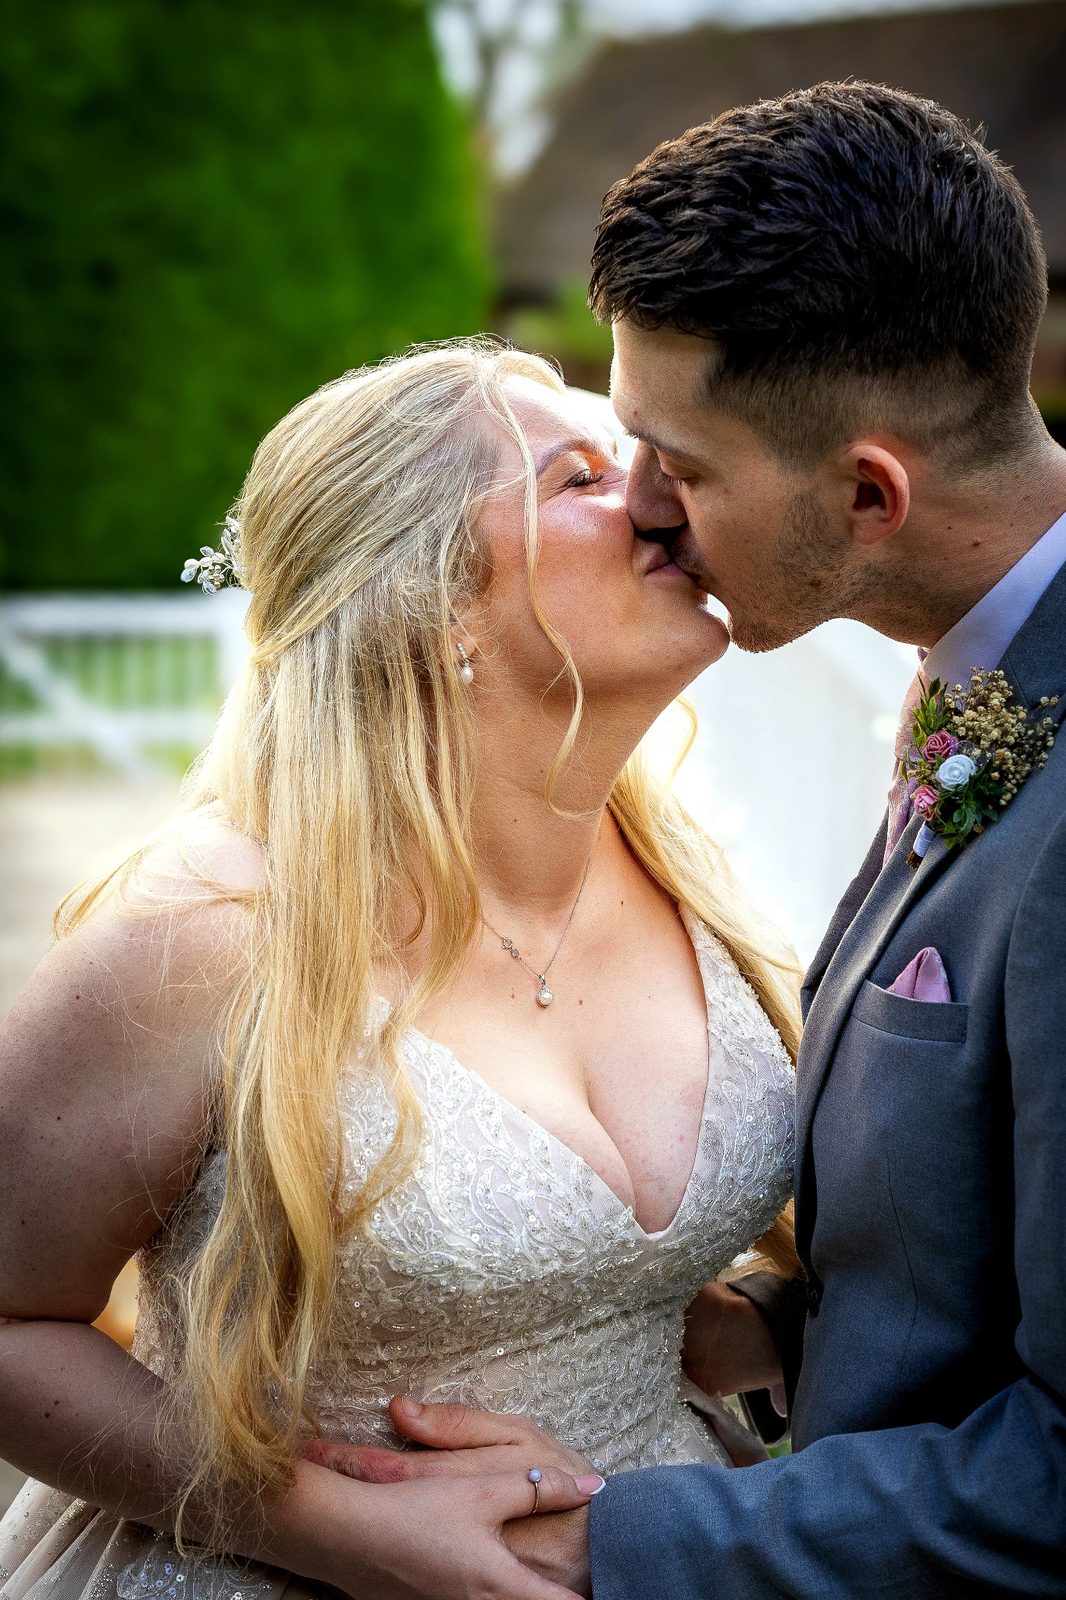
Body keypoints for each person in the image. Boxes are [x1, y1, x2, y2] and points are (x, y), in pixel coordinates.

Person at [317, 82, 1066, 1597]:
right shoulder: (990, 668)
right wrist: (773, 1328)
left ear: (867, 493)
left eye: (683, 466)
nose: (646, 511)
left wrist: (603, 1540)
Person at [0, 340, 800, 1600]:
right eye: (583, 475)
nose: (660, 497)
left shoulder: (691, 875)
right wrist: (328, 1526)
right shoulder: (213, 931)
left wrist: (750, 1329)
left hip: (667, 1552)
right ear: (430, 597)